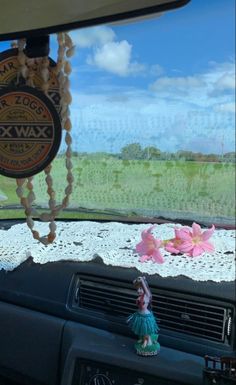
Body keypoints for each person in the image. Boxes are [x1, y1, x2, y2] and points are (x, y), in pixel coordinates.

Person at [127, 276, 160, 356]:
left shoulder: (147, 296)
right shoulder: (139, 297)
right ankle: (142, 338)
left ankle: (146, 340)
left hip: (146, 317)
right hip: (139, 315)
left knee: (146, 330)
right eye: (137, 289)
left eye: (141, 289)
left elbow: (146, 289)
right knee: (141, 329)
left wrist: (142, 281)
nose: (139, 290)